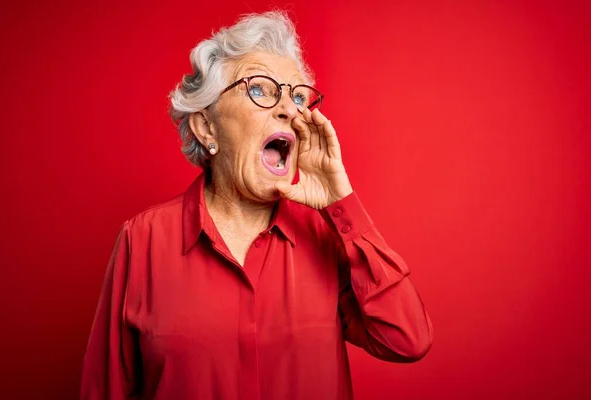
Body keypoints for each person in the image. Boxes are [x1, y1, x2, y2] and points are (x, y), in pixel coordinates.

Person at [80, 10, 433, 400]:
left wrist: (341, 205)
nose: (288, 109)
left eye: (298, 96)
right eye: (262, 89)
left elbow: (407, 339)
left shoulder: (326, 237)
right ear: (206, 126)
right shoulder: (143, 241)